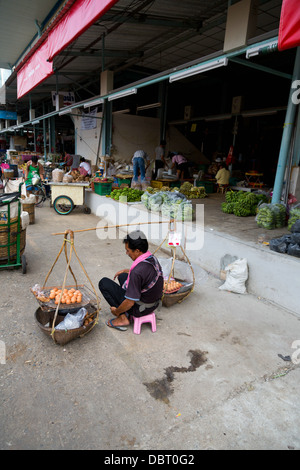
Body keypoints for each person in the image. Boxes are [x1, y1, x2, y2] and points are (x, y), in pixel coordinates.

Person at [99, 230, 164, 331]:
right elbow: (146, 275)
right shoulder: (151, 258)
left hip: (141, 308)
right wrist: (128, 271)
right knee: (123, 276)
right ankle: (123, 312)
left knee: (104, 283)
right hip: (154, 303)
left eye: (128, 250)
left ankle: (122, 318)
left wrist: (116, 311)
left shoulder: (137, 272)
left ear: (137, 251)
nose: (127, 253)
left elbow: (130, 302)